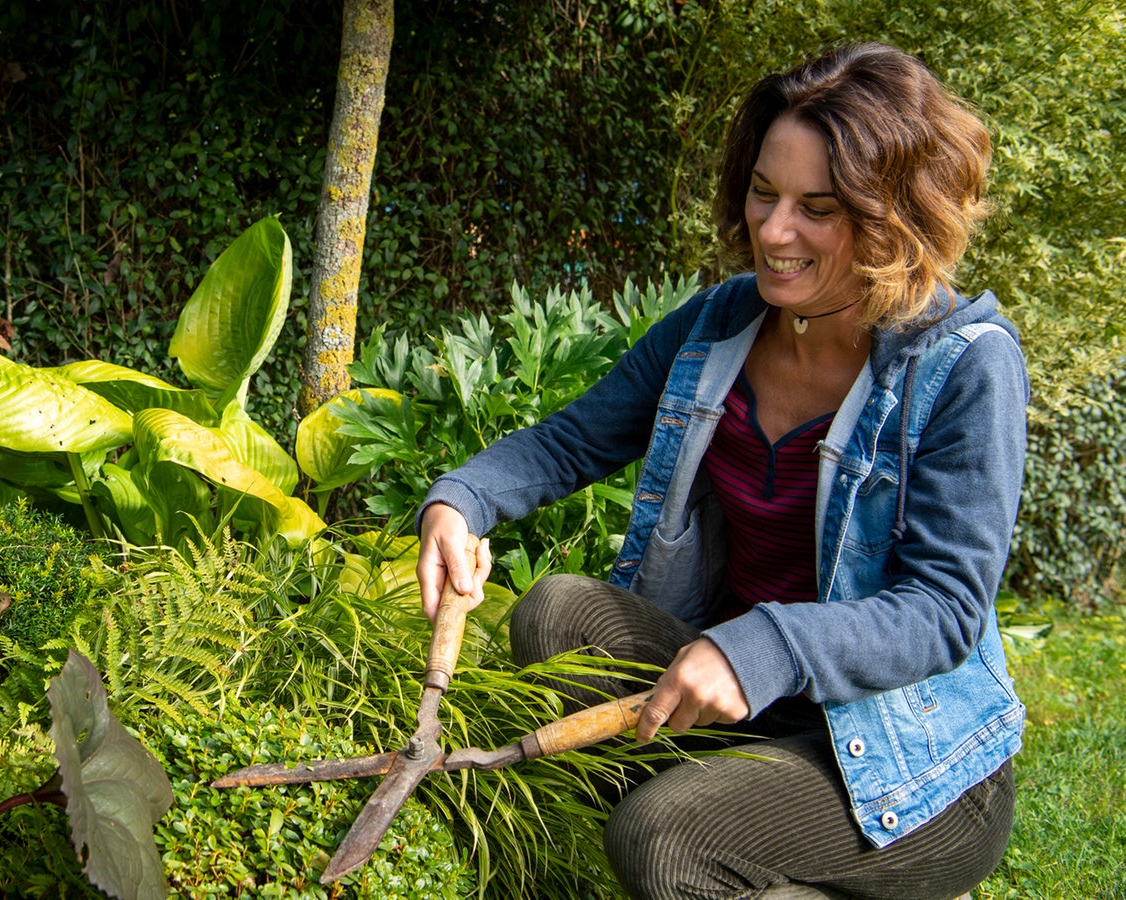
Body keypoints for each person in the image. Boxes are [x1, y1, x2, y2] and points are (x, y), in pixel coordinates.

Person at [416, 42, 1025, 900]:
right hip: (746, 706)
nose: (775, 232)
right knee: (556, 612)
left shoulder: (964, 366)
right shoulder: (721, 323)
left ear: (893, 215)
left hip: (907, 758)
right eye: (764, 193)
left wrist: (764, 645)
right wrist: (461, 502)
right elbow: (571, 442)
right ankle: (742, 837)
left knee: (661, 839)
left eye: (818, 208)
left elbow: (944, 611)